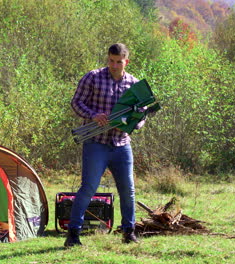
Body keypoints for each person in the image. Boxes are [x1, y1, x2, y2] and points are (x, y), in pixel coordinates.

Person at [66, 43, 140, 247]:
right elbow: (76, 103)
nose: (114, 65)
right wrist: (93, 115)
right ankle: (73, 234)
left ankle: (129, 232)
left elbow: (140, 114)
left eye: (119, 62)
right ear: (107, 59)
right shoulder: (93, 77)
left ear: (126, 61)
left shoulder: (134, 84)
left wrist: (134, 124)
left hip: (121, 143)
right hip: (95, 142)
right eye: (111, 61)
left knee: (128, 189)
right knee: (88, 187)